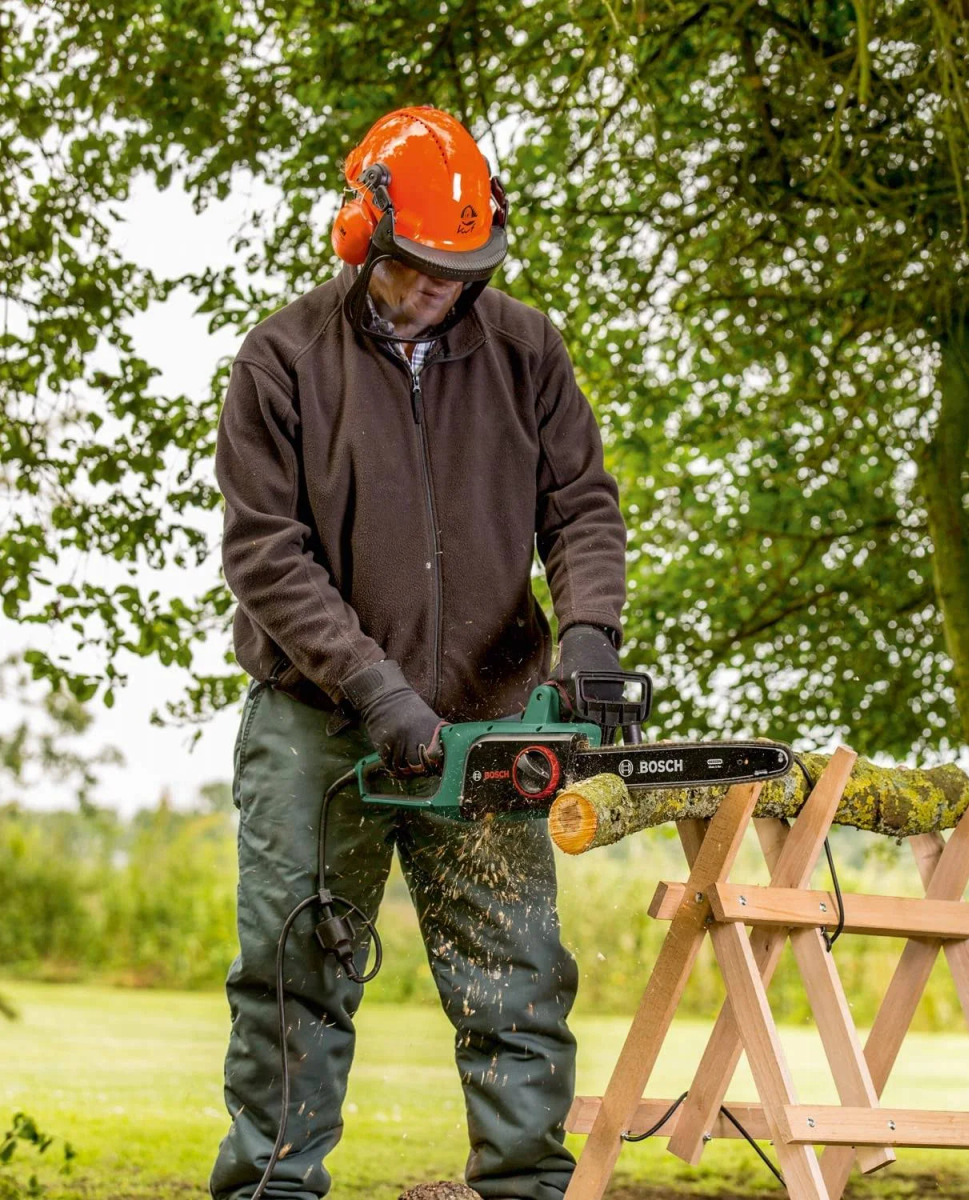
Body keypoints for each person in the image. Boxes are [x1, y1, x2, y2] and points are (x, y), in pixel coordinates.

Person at [209, 106, 627, 1200]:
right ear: (364, 237)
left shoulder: (527, 350)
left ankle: (526, 1189)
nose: (441, 287)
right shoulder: (282, 360)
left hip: (487, 725)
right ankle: (272, 1189)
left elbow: (580, 505)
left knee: (518, 986)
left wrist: (587, 638)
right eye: (420, 267)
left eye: (460, 269)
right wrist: (380, 695)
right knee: (294, 979)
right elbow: (267, 554)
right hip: (321, 724)